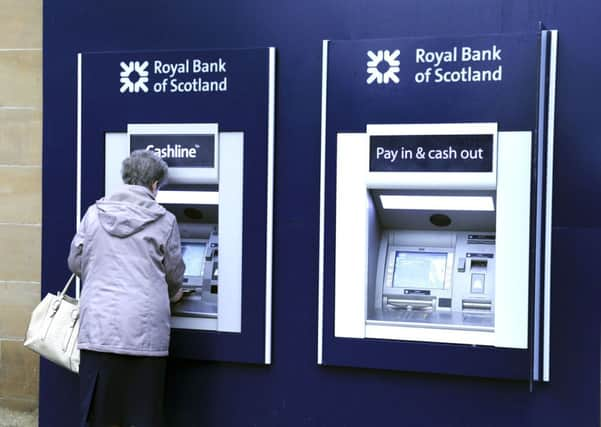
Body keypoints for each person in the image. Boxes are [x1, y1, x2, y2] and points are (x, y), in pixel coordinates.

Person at [68, 149, 185, 427]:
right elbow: (174, 275)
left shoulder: (94, 213)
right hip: (144, 336)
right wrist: (173, 294)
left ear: (126, 178)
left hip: (99, 329)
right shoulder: (165, 221)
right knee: (142, 415)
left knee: (98, 416)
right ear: (154, 185)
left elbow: (75, 262)